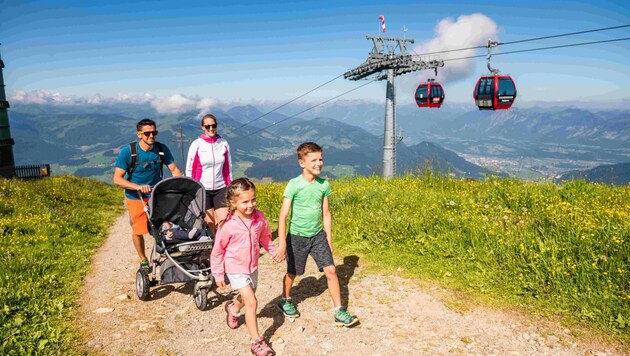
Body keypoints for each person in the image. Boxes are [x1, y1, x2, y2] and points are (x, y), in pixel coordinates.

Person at [275, 142, 359, 327]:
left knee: (331, 270)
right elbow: (283, 216)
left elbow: (326, 213)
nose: (319, 163)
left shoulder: (324, 185)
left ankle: (339, 311)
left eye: (321, 159)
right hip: (296, 236)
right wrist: (282, 244)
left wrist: (328, 239)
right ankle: (285, 299)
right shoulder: (294, 185)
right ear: (302, 162)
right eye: (313, 160)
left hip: (317, 236)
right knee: (293, 272)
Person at [210, 177, 277, 356]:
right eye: (245, 201)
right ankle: (256, 342)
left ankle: (233, 309)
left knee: (247, 296)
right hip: (235, 268)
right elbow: (217, 251)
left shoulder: (259, 218)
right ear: (233, 202)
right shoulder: (228, 226)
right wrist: (217, 274)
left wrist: (273, 251)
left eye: (253, 199)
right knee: (252, 302)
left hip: (252, 266)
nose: (250, 205)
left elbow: (265, 237)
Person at [113, 118, 182, 269]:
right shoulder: (128, 152)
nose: (151, 136)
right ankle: (143, 258)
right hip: (135, 196)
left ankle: (163, 248)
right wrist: (137, 187)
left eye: (154, 132)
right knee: (139, 229)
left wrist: (182, 184)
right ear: (139, 134)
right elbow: (117, 179)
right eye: (147, 133)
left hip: (157, 194)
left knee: (163, 223)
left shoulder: (161, 149)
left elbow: (174, 170)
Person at [185, 114, 232, 234]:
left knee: (223, 222)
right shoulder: (197, 144)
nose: (211, 129)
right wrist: (191, 188)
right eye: (207, 126)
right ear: (202, 127)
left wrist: (230, 185)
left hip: (221, 187)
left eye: (213, 125)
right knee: (211, 224)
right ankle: (216, 247)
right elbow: (190, 169)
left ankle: (221, 247)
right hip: (202, 189)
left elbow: (228, 167)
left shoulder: (223, 143)